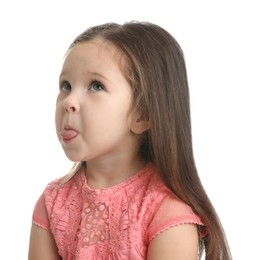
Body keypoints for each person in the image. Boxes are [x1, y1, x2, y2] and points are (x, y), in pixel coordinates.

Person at [28, 21, 231, 260]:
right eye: (66, 85)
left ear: (143, 114)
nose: (68, 101)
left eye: (96, 86)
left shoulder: (166, 214)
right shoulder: (53, 203)